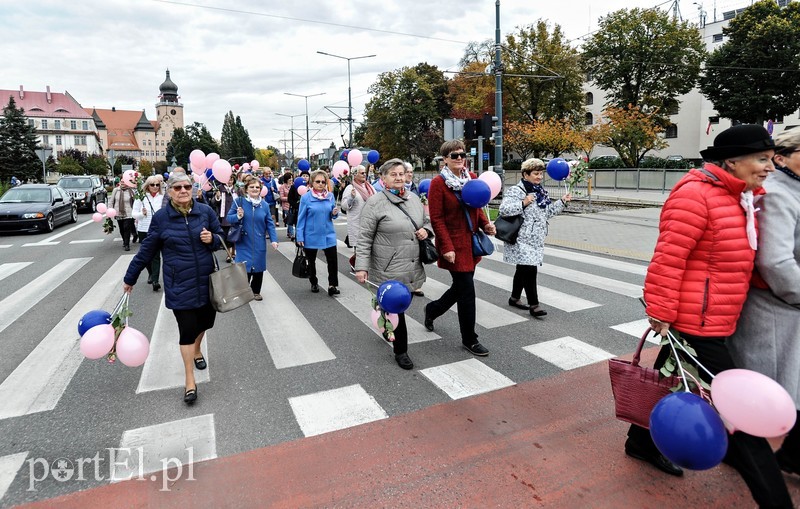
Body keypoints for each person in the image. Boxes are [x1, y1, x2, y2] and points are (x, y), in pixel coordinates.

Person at [627, 124, 793, 508]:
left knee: (669, 376)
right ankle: (774, 499)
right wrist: (661, 312)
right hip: (695, 321)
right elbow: (669, 258)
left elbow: (739, 257)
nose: (770, 167)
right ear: (732, 161)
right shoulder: (696, 195)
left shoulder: (741, 196)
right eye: (762, 159)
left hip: (717, 315)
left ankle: (639, 442)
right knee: (739, 413)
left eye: (771, 159)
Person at [728, 127, 800, 478]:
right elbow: (775, 262)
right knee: (762, 388)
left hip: (776, 307)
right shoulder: (776, 195)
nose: (766, 167)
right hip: (771, 308)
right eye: (762, 159)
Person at [123, 173, 224, 404]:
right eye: (177, 187)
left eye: (187, 186)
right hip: (180, 284)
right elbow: (147, 251)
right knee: (187, 330)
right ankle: (190, 380)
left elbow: (222, 236)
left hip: (207, 281)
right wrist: (131, 278)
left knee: (206, 322)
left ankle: (198, 349)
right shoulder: (162, 218)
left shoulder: (205, 212)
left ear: (193, 189)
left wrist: (213, 240)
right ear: (169, 192)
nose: (182, 190)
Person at [355, 159, 430, 370]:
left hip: (412, 262)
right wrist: (361, 267)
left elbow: (426, 221)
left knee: (398, 305)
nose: (398, 178)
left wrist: (427, 231)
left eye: (401, 174)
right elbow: (364, 237)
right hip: (387, 266)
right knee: (397, 306)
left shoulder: (414, 198)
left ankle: (387, 325)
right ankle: (401, 351)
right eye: (393, 174)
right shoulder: (375, 202)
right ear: (383, 179)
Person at [424, 140, 496, 356]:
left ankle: (433, 309)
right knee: (467, 291)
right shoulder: (438, 183)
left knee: (461, 288)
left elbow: (476, 208)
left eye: (462, 155)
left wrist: (486, 225)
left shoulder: (471, 178)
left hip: (471, 242)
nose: (459, 158)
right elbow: (436, 218)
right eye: (453, 155)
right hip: (453, 244)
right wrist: (446, 246)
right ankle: (470, 339)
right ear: (444, 158)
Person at [498, 158, 571, 316]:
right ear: (525, 174)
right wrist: (523, 203)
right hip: (521, 238)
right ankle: (534, 305)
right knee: (530, 270)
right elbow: (504, 210)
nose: (539, 177)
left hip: (536, 238)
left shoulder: (540, 191)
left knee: (522, 268)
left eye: (541, 174)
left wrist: (562, 202)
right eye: (535, 174)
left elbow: (547, 213)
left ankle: (514, 298)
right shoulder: (517, 191)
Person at [226, 175, 279, 301]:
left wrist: (274, 240)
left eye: (257, 187)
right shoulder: (239, 201)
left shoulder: (264, 205)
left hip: (259, 240)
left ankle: (256, 291)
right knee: (245, 267)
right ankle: (244, 290)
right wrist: (238, 216)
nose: (255, 189)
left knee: (259, 266)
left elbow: (270, 224)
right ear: (246, 189)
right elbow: (229, 218)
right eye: (252, 187)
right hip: (244, 240)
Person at [296, 170, 340, 296]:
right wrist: (300, 236)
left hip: (328, 234)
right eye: (318, 181)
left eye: (323, 182)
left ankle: (332, 285)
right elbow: (301, 218)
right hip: (311, 234)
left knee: (332, 261)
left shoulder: (330, 196)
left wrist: (334, 213)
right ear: (312, 183)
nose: (321, 184)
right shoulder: (306, 198)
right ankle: (313, 281)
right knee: (311, 261)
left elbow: (332, 215)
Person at [131, 176, 164, 291]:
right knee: (146, 255)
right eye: (152, 185)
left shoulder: (162, 197)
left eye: (157, 185)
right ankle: (150, 272)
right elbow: (133, 214)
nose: (155, 187)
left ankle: (155, 280)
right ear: (147, 186)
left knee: (156, 255)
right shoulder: (141, 197)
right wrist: (141, 214)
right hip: (144, 229)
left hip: (158, 229)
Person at [341, 165, 375, 250]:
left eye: (365, 173)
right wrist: (351, 198)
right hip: (358, 225)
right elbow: (344, 206)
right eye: (362, 173)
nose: (364, 175)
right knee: (360, 256)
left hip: (370, 225)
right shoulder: (350, 188)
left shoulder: (370, 187)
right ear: (355, 174)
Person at [208, 174, 238, 262]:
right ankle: (229, 254)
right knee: (227, 236)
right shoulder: (219, 189)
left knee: (235, 234)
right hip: (224, 216)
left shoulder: (236, 189)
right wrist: (217, 196)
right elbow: (213, 203)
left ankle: (234, 252)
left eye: (231, 179)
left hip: (235, 216)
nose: (230, 181)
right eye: (228, 179)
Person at [110, 178, 136, 251]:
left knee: (126, 227)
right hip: (118, 212)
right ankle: (124, 241)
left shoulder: (131, 191)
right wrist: (110, 210)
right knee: (121, 228)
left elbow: (135, 201)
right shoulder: (116, 190)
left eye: (124, 182)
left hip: (129, 212)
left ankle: (127, 244)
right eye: (121, 182)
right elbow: (111, 201)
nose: (122, 183)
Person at [279, 173, 295, 240]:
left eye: (292, 178)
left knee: (290, 219)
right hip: (286, 205)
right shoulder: (282, 187)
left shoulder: (294, 186)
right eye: (289, 178)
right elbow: (281, 197)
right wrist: (289, 198)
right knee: (289, 218)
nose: (291, 180)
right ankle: (291, 234)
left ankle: (289, 232)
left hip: (293, 205)